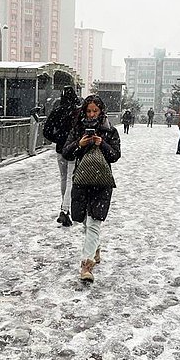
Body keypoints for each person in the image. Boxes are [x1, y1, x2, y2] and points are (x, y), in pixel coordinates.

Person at [62, 94, 121, 282]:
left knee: (95, 221)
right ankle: (95, 247)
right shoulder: (78, 129)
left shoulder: (110, 130)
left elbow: (115, 156)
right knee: (86, 223)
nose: (92, 114)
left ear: (101, 111)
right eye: (88, 111)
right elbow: (66, 153)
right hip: (82, 180)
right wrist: (79, 144)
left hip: (102, 182)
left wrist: (101, 143)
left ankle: (86, 266)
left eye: (95, 110)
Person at [42, 86, 81, 226]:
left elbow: (46, 131)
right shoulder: (77, 112)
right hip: (74, 148)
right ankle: (65, 209)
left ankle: (64, 205)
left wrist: (58, 138)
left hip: (60, 149)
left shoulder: (57, 111)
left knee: (63, 178)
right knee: (71, 179)